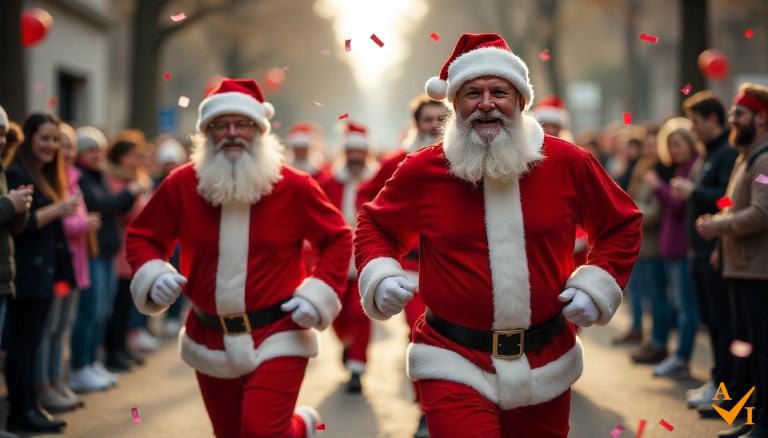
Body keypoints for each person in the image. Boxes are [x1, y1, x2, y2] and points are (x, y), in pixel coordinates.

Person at [354, 33, 642, 437]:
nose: (486, 104)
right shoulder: (422, 170)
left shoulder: (568, 162)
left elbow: (621, 222)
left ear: (521, 101)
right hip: (451, 358)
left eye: (499, 92)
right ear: (453, 104)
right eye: (472, 92)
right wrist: (380, 274)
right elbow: (376, 224)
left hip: (547, 361)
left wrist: (598, 283)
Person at [125, 78, 352, 437]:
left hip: (280, 330)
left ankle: (295, 427)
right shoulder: (182, 184)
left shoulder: (295, 186)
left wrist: (319, 292)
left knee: (261, 431)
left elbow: (337, 238)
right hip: (209, 335)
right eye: (221, 125)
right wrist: (154, 273)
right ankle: (298, 430)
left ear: (259, 130)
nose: (232, 133)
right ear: (207, 133)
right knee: (230, 433)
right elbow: (143, 235)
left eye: (243, 124)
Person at [356, 94, 447, 436]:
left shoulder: (470, 160)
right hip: (412, 269)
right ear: (416, 125)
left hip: (456, 269)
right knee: (422, 336)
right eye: (428, 120)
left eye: (442, 119)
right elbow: (366, 198)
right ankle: (425, 407)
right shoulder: (398, 161)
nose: (435, 127)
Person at [696, 83, 768, 438]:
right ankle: (750, 418)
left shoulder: (765, 160)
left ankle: (763, 424)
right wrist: (719, 240)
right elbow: (734, 202)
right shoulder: (747, 155)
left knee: (761, 350)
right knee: (747, 348)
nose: (731, 119)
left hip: (759, 271)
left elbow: (761, 212)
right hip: (739, 266)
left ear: (762, 117)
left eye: (739, 113)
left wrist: (718, 227)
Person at [5, 113, 77, 433]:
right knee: (22, 345)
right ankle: (20, 411)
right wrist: (58, 210)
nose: (51, 145)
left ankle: (31, 405)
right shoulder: (19, 172)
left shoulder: (47, 173)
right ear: (29, 139)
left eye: (55, 140)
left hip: (44, 271)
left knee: (33, 342)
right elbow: (22, 224)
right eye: (45, 139)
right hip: (25, 271)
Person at [671, 90, 741, 408]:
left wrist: (694, 191)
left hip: (715, 251)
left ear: (712, 120)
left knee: (723, 323)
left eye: (696, 122)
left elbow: (729, 201)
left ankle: (729, 390)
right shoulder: (707, 153)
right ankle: (719, 381)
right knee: (712, 323)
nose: (693, 128)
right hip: (699, 252)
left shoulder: (727, 153)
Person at [69, 127, 144, 393]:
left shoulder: (97, 175)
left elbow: (112, 206)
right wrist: (130, 193)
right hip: (94, 252)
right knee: (90, 312)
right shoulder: (82, 178)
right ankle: (80, 365)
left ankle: (91, 362)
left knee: (103, 311)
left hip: (107, 251)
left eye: (98, 149)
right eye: (90, 149)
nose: (96, 154)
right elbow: (105, 205)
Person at [34, 123, 95, 412]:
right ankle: (44, 385)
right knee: (50, 327)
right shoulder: (50, 179)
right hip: (57, 267)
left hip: (75, 266)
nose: (66, 151)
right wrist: (85, 223)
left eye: (70, 146)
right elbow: (59, 222)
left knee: (63, 326)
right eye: (62, 144)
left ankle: (57, 381)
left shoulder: (73, 178)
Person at [317, 121, 378, 393]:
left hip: (367, 257)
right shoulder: (329, 182)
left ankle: (357, 366)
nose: (355, 157)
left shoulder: (378, 180)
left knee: (360, 312)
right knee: (337, 314)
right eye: (350, 152)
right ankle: (347, 341)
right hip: (336, 258)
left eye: (359, 152)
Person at [641, 118, 700, 379]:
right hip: (671, 246)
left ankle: (682, 356)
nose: (674, 150)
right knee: (678, 303)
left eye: (678, 144)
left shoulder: (690, 169)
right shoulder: (679, 169)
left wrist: (658, 188)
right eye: (671, 145)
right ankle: (676, 354)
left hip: (682, 247)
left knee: (686, 307)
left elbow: (678, 206)